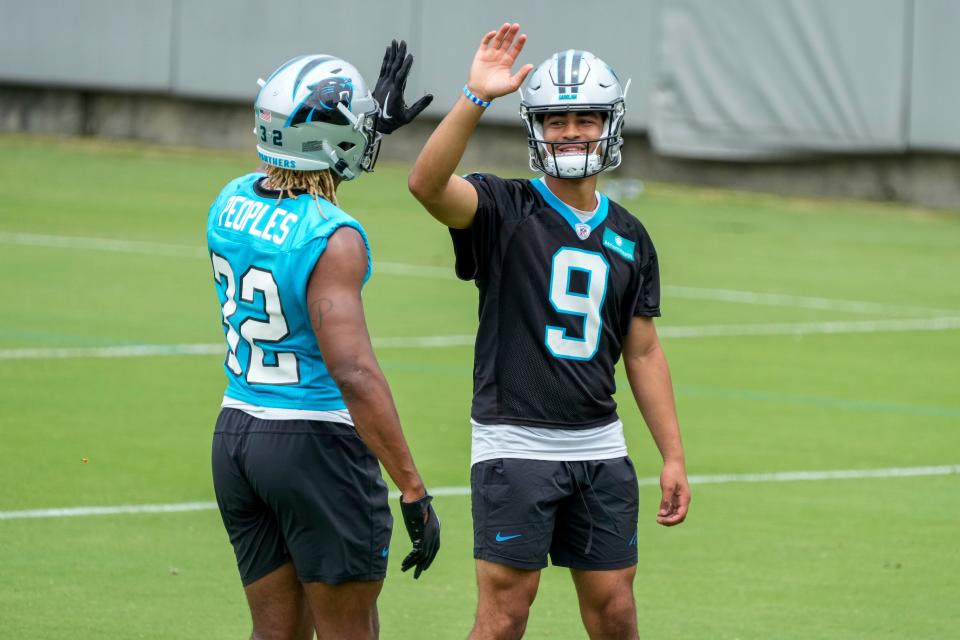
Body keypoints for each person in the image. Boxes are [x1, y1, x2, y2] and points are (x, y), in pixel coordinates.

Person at [408, 24, 691, 640]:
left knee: (616, 612)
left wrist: (671, 454)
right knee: (506, 613)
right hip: (517, 444)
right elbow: (426, 184)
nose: (569, 132)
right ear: (534, 128)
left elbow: (641, 350)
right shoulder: (504, 209)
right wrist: (475, 98)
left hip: (600, 446)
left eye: (584, 119)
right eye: (555, 120)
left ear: (609, 124)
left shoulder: (630, 234)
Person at [207, 41, 439, 640]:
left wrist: (360, 132)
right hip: (314, 444)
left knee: (274, 633)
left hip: (237, 436)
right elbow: (354, 373)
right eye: (354, 123)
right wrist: (411, 486)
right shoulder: (336, 236)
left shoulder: (228, 201)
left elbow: (293, 203)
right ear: (327, 136)